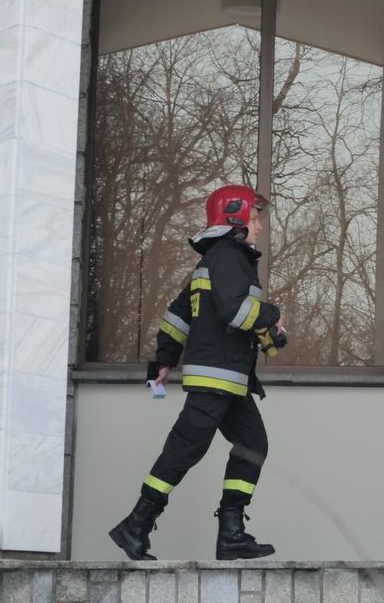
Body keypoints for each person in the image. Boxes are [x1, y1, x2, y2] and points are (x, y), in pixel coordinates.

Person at [109, 184, 287, 561]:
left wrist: (163, 361)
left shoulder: (217, 261)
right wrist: (271, 314)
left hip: (229, 381)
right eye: (255, 220)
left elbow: (179, 315)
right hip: (216, 379)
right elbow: (234, 312)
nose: (259, 228)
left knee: (252, 446)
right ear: (235, 218)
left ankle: (231, 533)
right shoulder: (228, 258)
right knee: (184, 450)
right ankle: (136, 525)